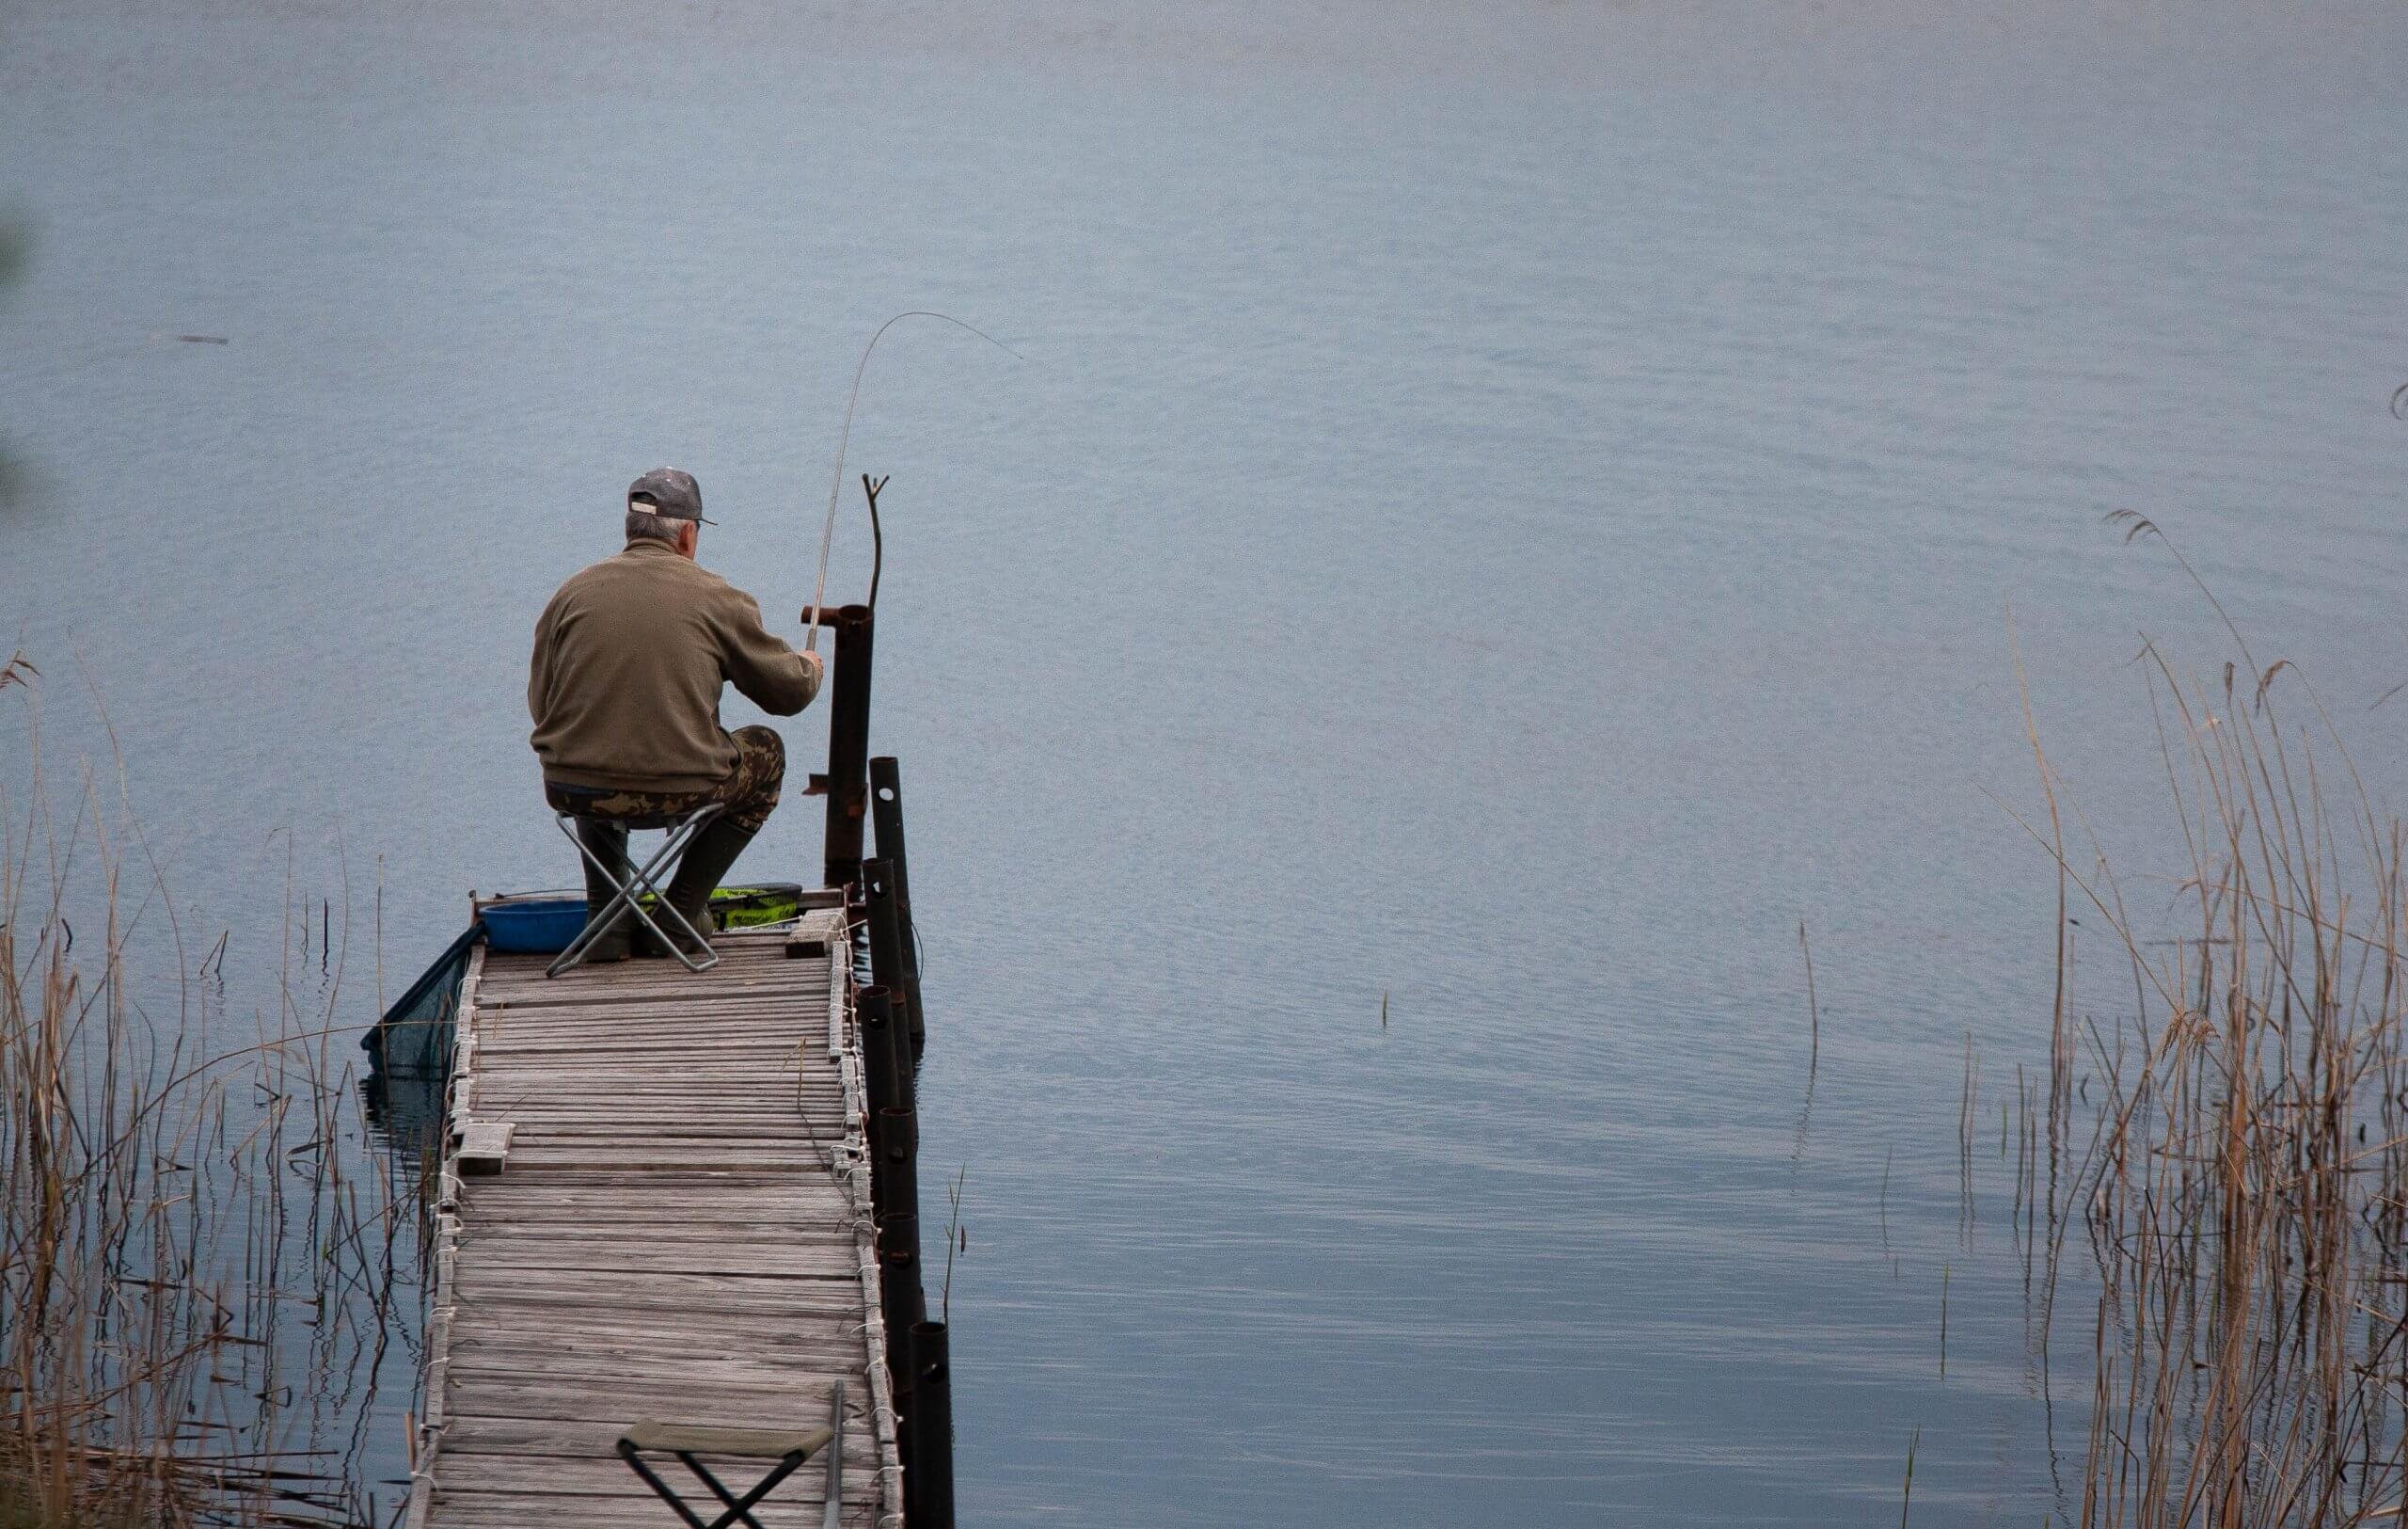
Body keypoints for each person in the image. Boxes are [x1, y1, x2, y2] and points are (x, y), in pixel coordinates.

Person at [528, 468, 823, 961]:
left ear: (631, 530)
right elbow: (787, 694)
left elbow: (543, 705)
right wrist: (809, 667)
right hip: (681, 787)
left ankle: (608, 918)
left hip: (574, 788)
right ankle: (683, 911)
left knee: (591, 744)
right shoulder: (715, 596)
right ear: (688, 534)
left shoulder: (570, 595)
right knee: (767, 752)